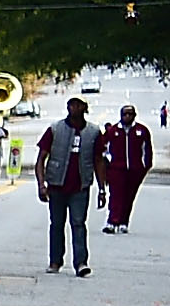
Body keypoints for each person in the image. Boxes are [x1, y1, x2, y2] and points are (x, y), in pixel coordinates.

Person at [35, 96, 97, 276]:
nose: (74, 108)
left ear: (84, 108)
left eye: (78, 105)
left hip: (80, 186)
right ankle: (55, 261)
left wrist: (102, 188)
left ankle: (81, 263)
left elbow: (98, 160)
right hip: (57, 185)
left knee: (78, 223)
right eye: (71, 105)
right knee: (57, 224)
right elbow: (41, 158)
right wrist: (41, 184)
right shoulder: (55, 129)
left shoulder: (93, 132)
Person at [100, 103, 151, 234]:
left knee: (129, 196)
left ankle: (123, 222)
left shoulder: (142, 131)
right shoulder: (113, 131)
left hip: (135, 169)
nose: (127, 116)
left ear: (134, 115)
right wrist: (108, 163)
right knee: (116, 195)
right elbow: (103, 149)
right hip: (117, 169)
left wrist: (144, 167)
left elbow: (147, 151)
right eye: (125, 114)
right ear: (121, 115)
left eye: (130, 114)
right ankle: (112, 221)